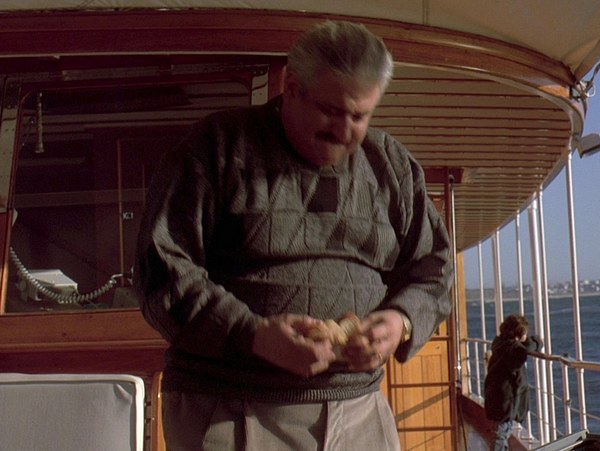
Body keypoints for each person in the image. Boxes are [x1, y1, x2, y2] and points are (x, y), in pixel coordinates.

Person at [134, 20, 452, 450]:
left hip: (359, 409)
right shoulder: (216, 148)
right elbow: (162, 271)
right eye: (331, 110)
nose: (344, 131)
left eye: (359, 116)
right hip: (229, 407)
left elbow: (434, 270)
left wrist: (401, 322)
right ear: (291, 86)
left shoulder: (392, 165)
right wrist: (252, 335)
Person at [483, 314, 542, 451]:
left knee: (501, 431)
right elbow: (524, 350)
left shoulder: (500, 344)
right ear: (519, 334)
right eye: (525, 333)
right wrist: (537, 342)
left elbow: (520, 348)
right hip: (504, 398)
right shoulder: (513, 351)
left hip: (496, 394)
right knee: (501, 433)